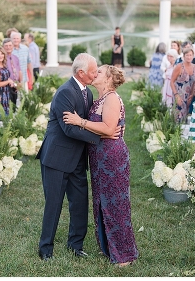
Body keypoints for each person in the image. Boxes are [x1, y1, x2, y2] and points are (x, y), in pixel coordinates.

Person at [62, 65, 138, 267]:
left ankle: (124, 255)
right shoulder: (100, 99)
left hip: (112, 158)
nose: (95, 74)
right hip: (99, 158)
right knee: (103, 203)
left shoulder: (112, 98)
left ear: (109, 78)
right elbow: (106, 128)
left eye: (100, 72)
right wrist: (101, 130)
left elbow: (108, 128)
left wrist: (80, 121)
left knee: (115, 204)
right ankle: (109, 248)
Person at [36, 53, 101, 261]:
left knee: (80, 203)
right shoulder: (65, 92)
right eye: (93, 71)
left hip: (78, 159)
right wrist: (101, 137)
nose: (96, 74)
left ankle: (76, 244)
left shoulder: (88, 93)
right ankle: (45, 249)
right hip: (56, 158)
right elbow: (69, 129)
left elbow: (82, 123)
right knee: (54, 204)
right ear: (81, 73)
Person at [170, 47, 195, 123]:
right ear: (184, 56)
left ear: (193, 56)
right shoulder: (179, 66)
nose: (189, 57)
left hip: (188, 97)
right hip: (178, 94)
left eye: (190, 55)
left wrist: (192, 95)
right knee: (177, 117)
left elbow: (193, 83)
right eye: (187, 55)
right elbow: (171, 82)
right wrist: (176, 96)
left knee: (185, 119)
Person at [3, 38, 21, 109]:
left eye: (10, 45)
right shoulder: (2, 58)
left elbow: (19, 70)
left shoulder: (15, 58)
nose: (8, 47)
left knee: (15, 106)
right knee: (9, 107)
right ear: (3, 47)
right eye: (6, 46)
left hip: (15, 85)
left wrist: (19, 83)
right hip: (7, 85)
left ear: (13, 46)